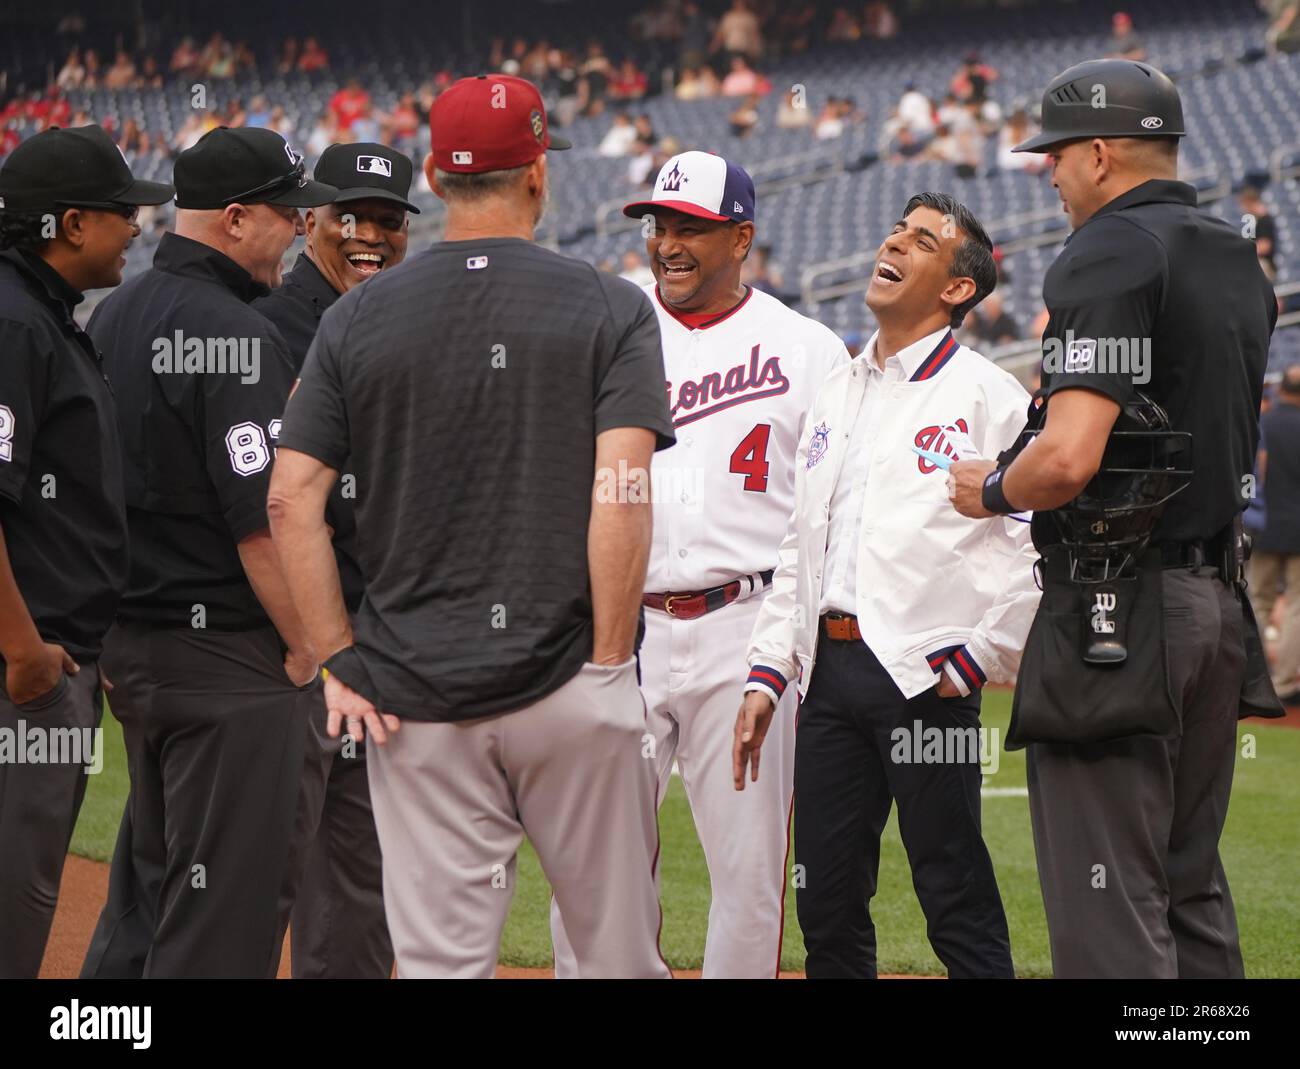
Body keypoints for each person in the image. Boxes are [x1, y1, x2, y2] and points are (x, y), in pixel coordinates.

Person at [267, 73, 672, 980]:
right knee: (615, 957)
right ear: (536, 173)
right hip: (572, 674)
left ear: (440, 186)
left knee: (440, 966)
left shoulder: (355, 316)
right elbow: (622, 487)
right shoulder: (610, 305)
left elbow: (290, 499)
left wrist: (336, 659)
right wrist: (610, 663)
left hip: (413, 694)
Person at [948, 59, 1281, 978]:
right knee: (1189, 886)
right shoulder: (1232, 251)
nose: (1049, 174)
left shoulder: (1107, 248)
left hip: (1121, 607)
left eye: (1055, 155)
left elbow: (1068, 457)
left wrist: (987, 488)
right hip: (1214, 605)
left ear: (1099, 152)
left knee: (1109, 899)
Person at [553, 150, 848, 978]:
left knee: (750, 873)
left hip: (745, 627)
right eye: (660, 225)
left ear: (742, 237)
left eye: (693, 228)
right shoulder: (608, 324)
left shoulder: (808, 349)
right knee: (590, 862)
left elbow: (829, 509)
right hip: (621, 623)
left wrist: (790, 645)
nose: (669, 243)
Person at [737, 192, 1031, 979]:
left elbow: (1037, 546)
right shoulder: (837, 387)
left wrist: (978, 656)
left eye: (923, 238)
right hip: (828, 678)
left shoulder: (990, 396)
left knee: (952, 887)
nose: (894, 239)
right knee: (826, 899)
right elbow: (801, 541)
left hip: (927, 676)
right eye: (895, 227)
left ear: (957, 288)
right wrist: (771, 669)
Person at [79, 127, 337, 979]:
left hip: (136, 655)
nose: (299, 230)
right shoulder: (235, 330)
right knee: (223, 917)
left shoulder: (113, 314)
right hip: (231, 667)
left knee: (145, 901)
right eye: (285, 214)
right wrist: (306, 648)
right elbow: (264, 518)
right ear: (234, 217)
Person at [0, 126, 172, 978]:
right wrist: (24, 652)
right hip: (25, 674)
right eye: (120, 212)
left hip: (54, 658)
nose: (135, 227)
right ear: (71, 223)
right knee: (14, 895)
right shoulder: (13, 322)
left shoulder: (40, 314)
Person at [254, 142, 419, 978]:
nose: (370, 235)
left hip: (371, 640)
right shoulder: (276, 328)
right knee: (271, 877)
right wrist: (311, 645)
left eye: (389, 221)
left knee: (360, 876)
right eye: (350, 216)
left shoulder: (386, 319)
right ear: (309, 218)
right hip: (304, 645)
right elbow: (261, 505)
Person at [1250, 365, 1300, 703]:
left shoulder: (1262, 423)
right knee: (1297, 605)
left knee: (1257, 601)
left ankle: (1251, 680)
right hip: (1298, 530)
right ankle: (1283, 683)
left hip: (1264, 525)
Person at [1238, 185, 1278, 279]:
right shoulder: (1254, 221)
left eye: (1243, 204)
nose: (1242, 208)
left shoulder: (1264, 220)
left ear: (1250, 202)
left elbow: (1265, 246)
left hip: (1265, 265)